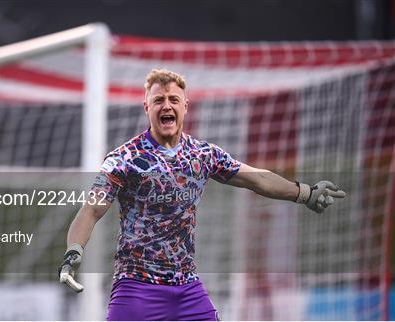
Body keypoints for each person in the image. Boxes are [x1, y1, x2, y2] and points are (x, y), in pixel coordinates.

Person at [58, 69, 346, 321]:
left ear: (186, 106)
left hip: (187, 288)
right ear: (147, 107)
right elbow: (91, 209)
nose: (166, 106)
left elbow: (256, 178)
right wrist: (74, 251)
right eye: (158, 100)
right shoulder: (124, 159)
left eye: (173, 100)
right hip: (137, 287)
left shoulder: (203, 155)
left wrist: (304, 192)